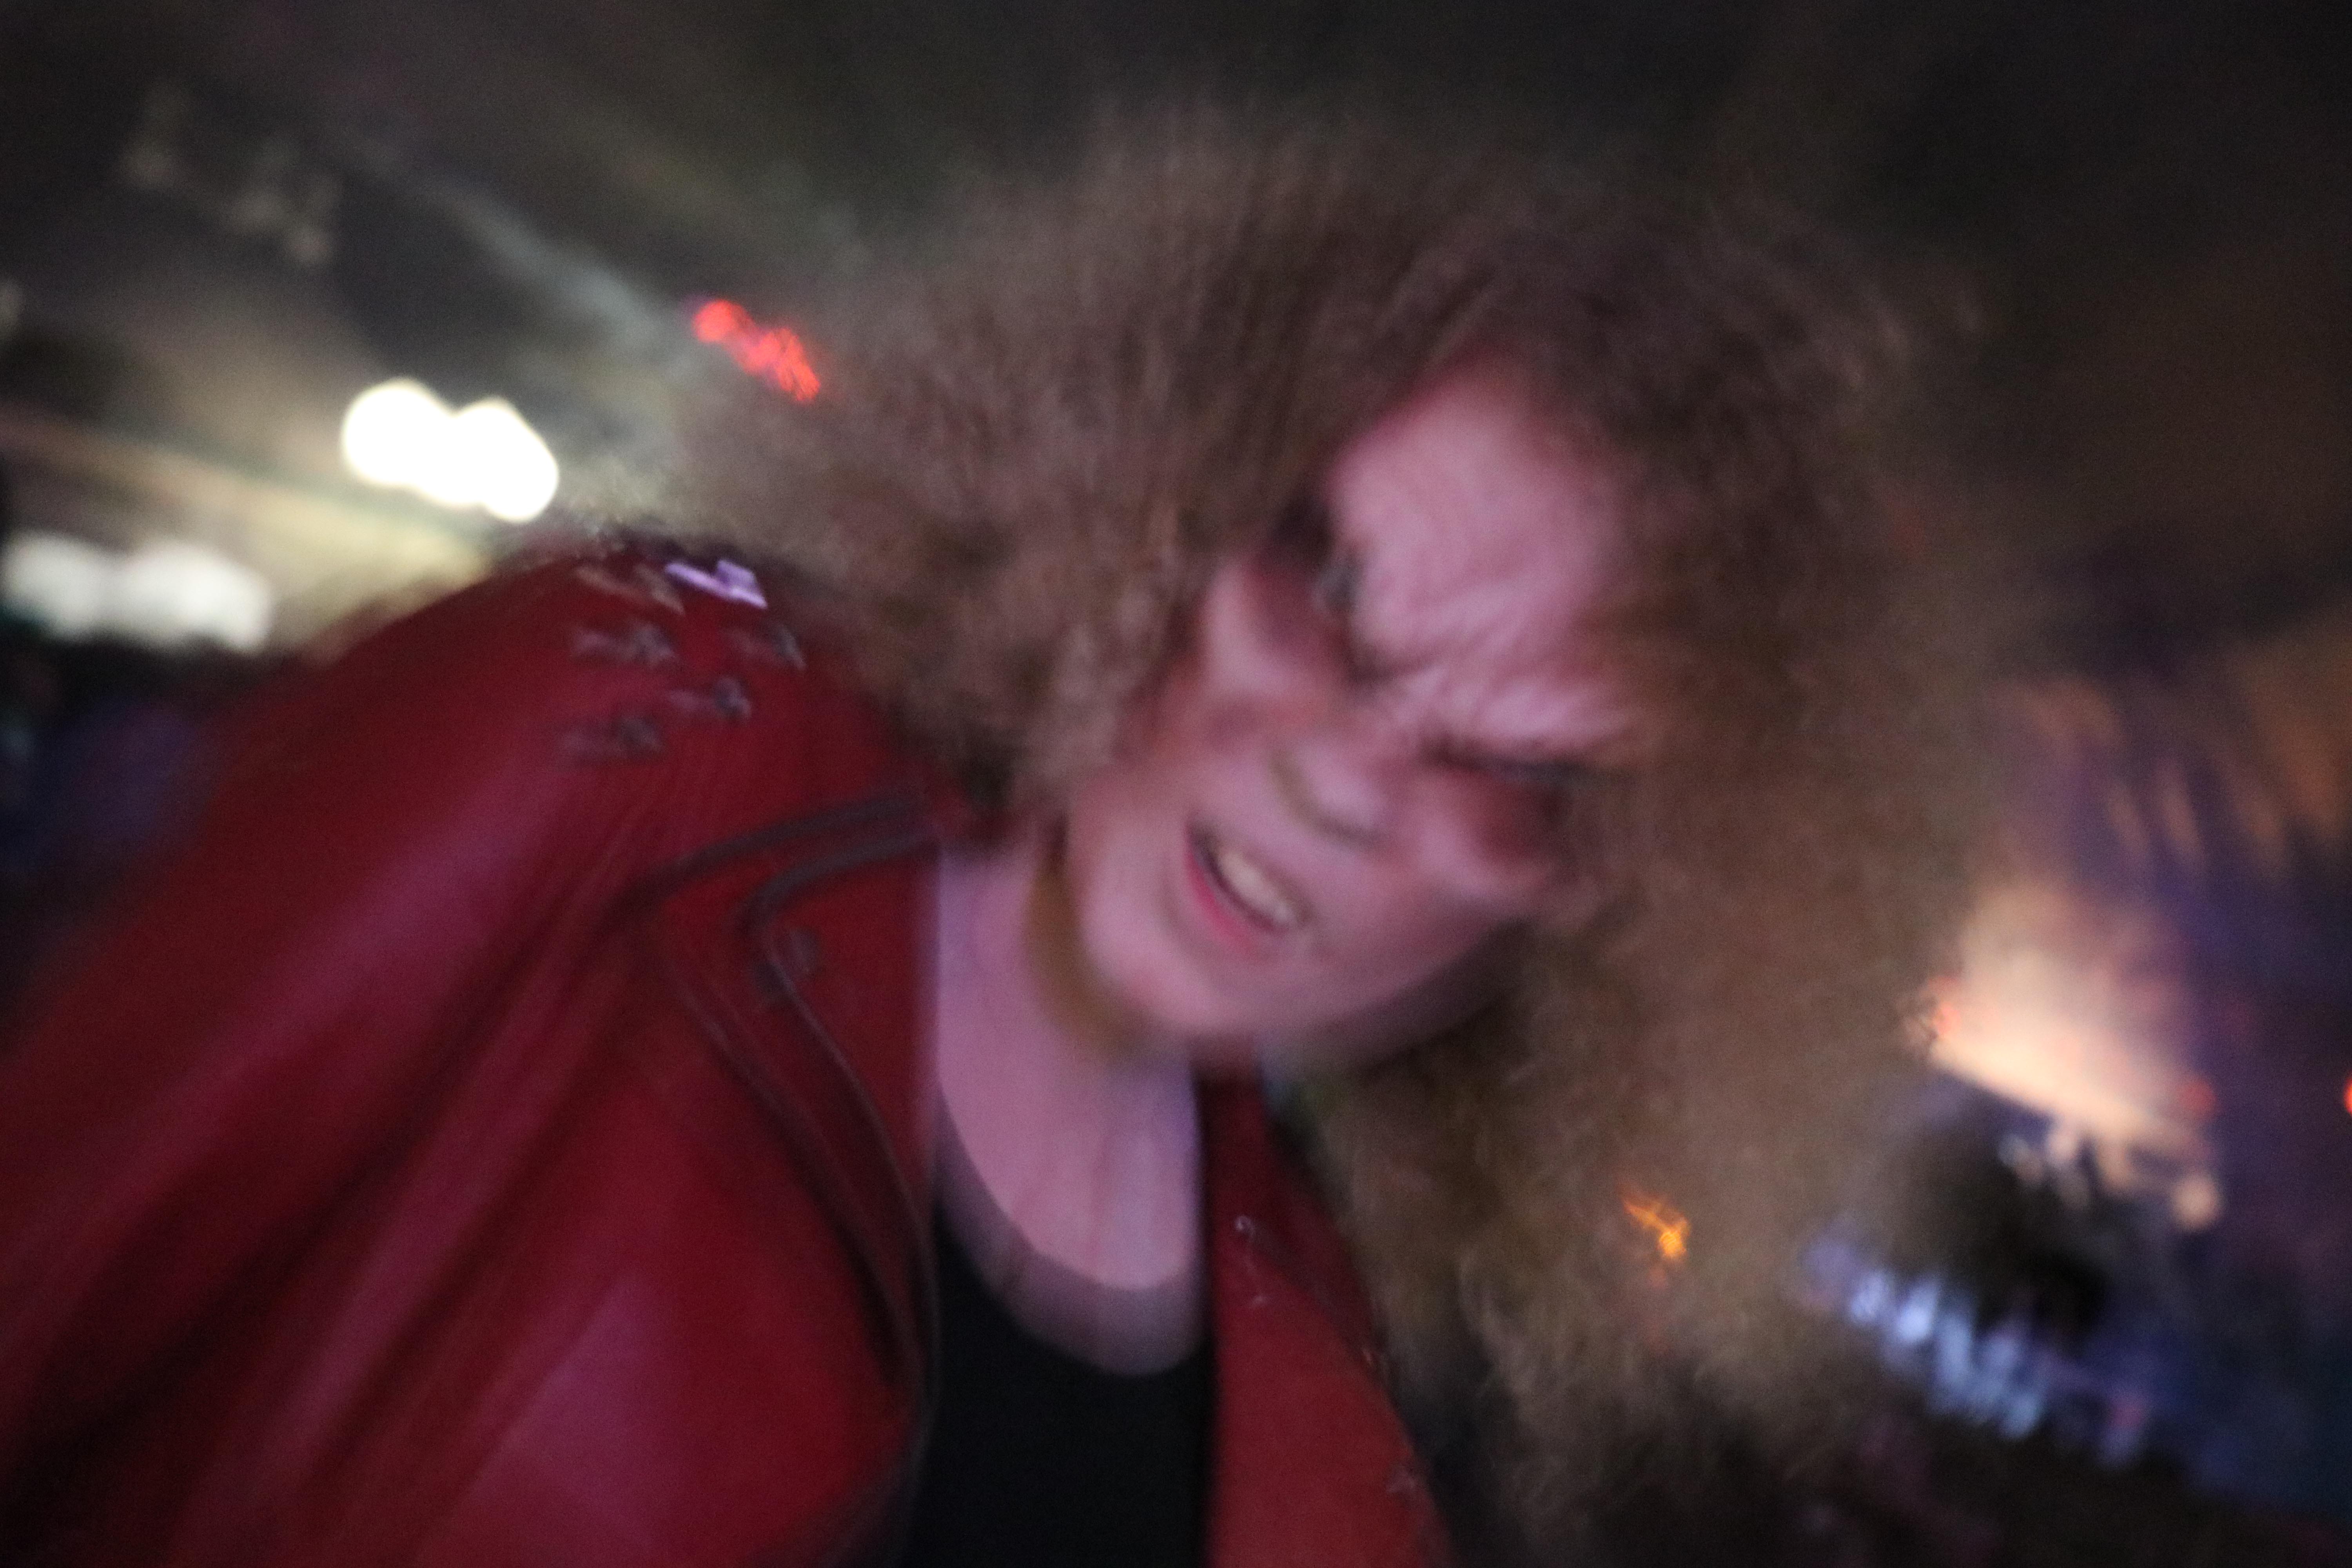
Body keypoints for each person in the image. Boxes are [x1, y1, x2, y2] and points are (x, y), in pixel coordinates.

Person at [0, 114, 1981, 1566]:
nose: (1341, 768)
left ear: (1599, 899)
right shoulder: (632, 727)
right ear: (1160, 492)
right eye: (1324, 590)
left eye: (1508, 767)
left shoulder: (1324, 1400)